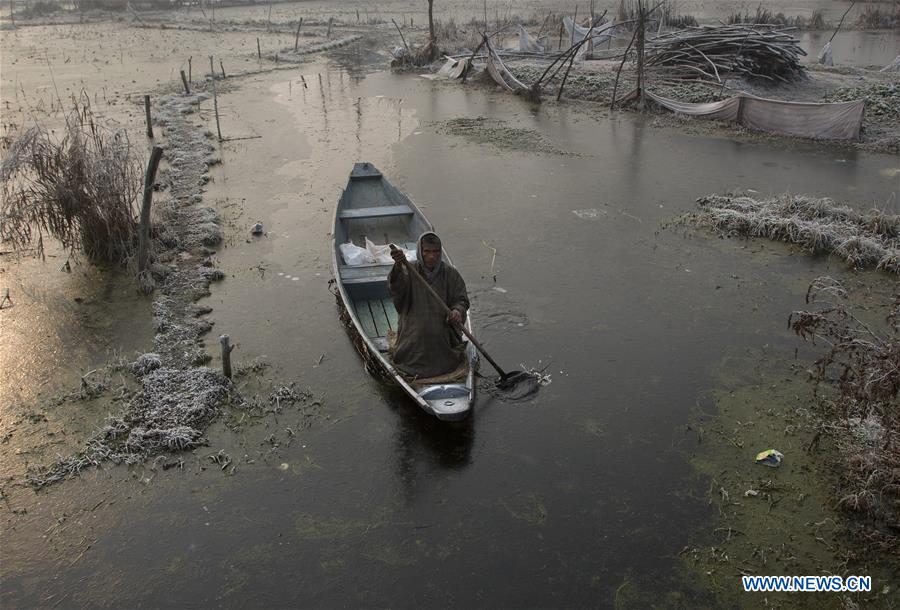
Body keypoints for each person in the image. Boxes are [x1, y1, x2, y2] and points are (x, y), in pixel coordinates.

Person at [388, 231, 470, 378]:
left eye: (436, 252)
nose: (432, 256)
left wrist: (457, 311)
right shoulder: (409, 270)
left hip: (442, 340)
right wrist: (398, 266)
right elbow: (396, 289)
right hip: (413, 342)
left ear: (440, 252)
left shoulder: (450, 274)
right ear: (420, 251)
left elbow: (461, 300)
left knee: (447, 357)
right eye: (427, 251)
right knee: (410, 357)